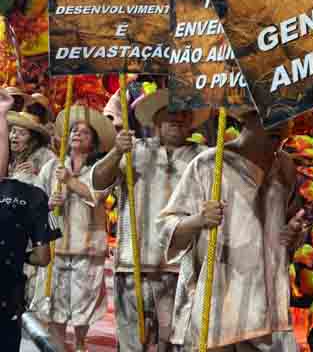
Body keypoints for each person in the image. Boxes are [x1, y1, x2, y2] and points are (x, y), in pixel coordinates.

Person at [158, 107, 306, 351]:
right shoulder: (209, 164)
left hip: (265, 308)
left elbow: (288, 229)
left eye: (286, 115)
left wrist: (292, 235)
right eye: (269, 114)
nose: (280, 122)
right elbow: (166, 229)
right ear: (244, 116)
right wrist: (199, 220)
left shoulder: (285, 166)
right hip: (216, 304)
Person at [90, 88, 207, 352]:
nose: (177, 118)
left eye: (183, 113)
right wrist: (116, 152)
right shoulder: (133, 150)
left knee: (176, 345)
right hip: (133, 266)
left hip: (183, 271)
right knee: (132, 346)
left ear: (191, 121)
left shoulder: (205, 157)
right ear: (156, 119)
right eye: (170, 113)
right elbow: (98, 182)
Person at [31, 104, 116, 352]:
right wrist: (49, 204)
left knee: (84, 304)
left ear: (93, 142)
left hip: (87, 246)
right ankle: (57, 347)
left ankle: (80, 344)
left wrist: (69, 181)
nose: (77, 134)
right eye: (74, 130)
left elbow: (97, 197)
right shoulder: (52, 167)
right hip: (56, 246)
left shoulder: (99, 170)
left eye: (84, 132)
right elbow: (36, 203)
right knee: (54, 303)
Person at [0, 89, 61, 352]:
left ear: (33, 139)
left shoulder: (46, 164)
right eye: (11, 131)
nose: (13, 137)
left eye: (20, 133)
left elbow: (52, 201)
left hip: (32, 243)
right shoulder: (11, 166)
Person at [8, 110, 55, 186]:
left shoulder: (45, 155)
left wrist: (38, 173)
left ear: (32, 140)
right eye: (13, 131)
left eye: (22, 133)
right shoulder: (7, 155)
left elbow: (55, 183)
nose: (15, 136)